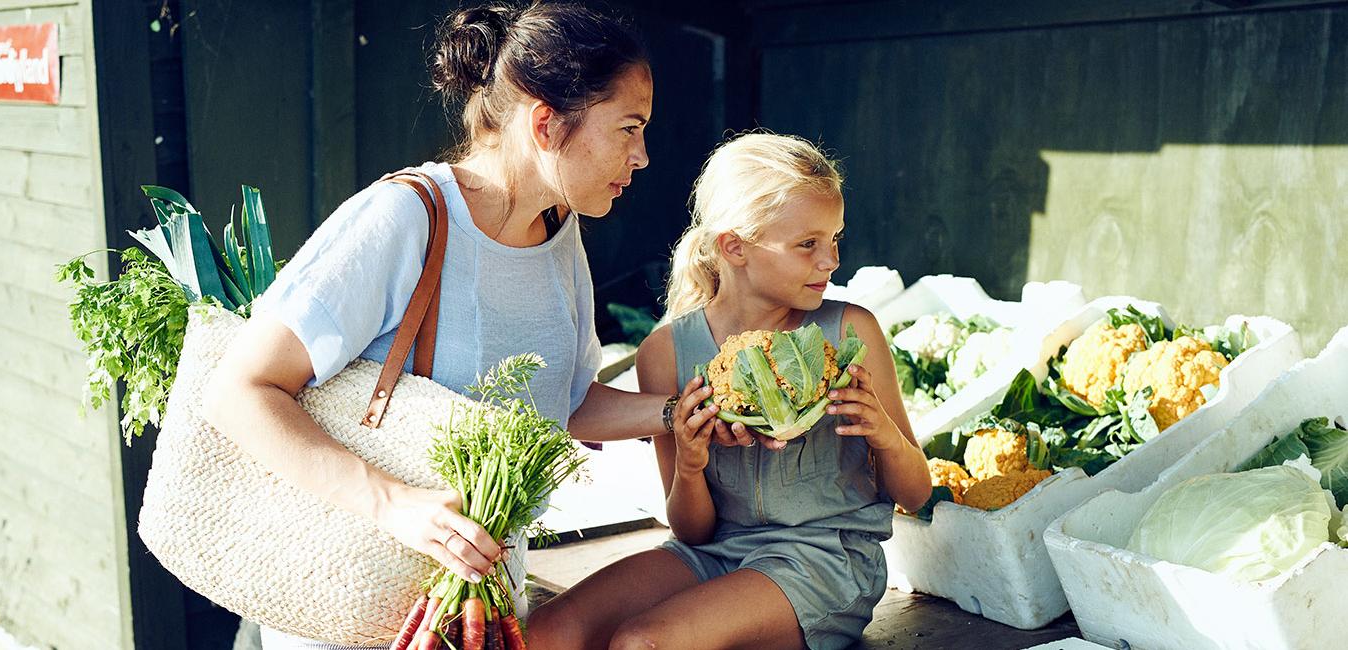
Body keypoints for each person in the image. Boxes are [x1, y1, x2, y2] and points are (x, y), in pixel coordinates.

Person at [201, 3, 743, 648]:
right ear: (546, 123)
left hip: (480, 609)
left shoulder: (559, 236)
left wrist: (680, 412)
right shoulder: (404, 218)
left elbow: (558, 407)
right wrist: (395, 504)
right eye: (629, 128)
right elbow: (239, 392)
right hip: (353, 600)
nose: (644, 156)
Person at [526, 133, 933, 650]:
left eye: (835, 238)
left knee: (643, 643)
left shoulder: (851, 330)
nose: (830, 260)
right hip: (712, 553)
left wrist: (885, 437)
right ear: (734, 246)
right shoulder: (667, 352)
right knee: (545, 633)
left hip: (822, 560)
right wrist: (692, 467)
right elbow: (691, 532)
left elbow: (917, 495)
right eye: (807, 244)